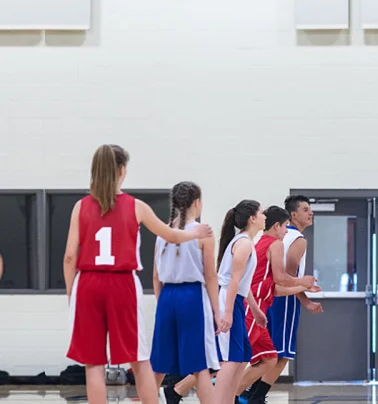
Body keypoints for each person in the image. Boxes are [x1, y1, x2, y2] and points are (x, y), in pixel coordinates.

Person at [63, 144, 212, 404]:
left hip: (87, 284)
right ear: (122, 170)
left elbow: (69, 257)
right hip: (121, 283)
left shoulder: (80, 207)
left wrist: (70, 294)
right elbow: (171, 235)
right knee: (140, 359)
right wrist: (195, 233)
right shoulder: (136, 206)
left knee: (94, 363)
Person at [237, 206, 319, 404]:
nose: (286, 231)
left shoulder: (262, 243)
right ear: (277, 226)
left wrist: (303, 292)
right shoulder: (275, 244)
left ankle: (241, 396)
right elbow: (282, 278)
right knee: (233, 361)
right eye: (284, 227)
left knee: (270, 358)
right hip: (251, 307)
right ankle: (221, 394)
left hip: (260, 308)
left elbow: (274, 288)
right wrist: (302, 282)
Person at [150, 182, 219, 404]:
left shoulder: (162, 233)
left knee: (158, 367)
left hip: (167, 298)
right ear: (197, 203)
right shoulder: (203, 231)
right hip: (192, 298)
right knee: (200, 367)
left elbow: (155, 276)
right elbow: (210, 277)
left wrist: (163, 305)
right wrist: (218, 313)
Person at [213, 201, 268, 404]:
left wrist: (255, 309)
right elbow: (233, 281)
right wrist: (227, 313)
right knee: (230, 359)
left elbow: (243, 284)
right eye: (262, 213)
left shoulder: (246, 242)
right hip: (228, 299)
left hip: (235, 300)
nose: (265, 217)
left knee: (244, 355)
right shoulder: (243, 244)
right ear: (252, 218)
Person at [266, 196, 323, 382]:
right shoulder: (297, 239)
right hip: (284, 299)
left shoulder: (279, 236)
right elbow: (289, 277)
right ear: (293, 214)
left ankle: (250, 393)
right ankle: (254, 394)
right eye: (305, 209)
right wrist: (306, 301)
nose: (311, 213)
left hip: (268, 296)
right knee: (282, 353)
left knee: (268, 352)